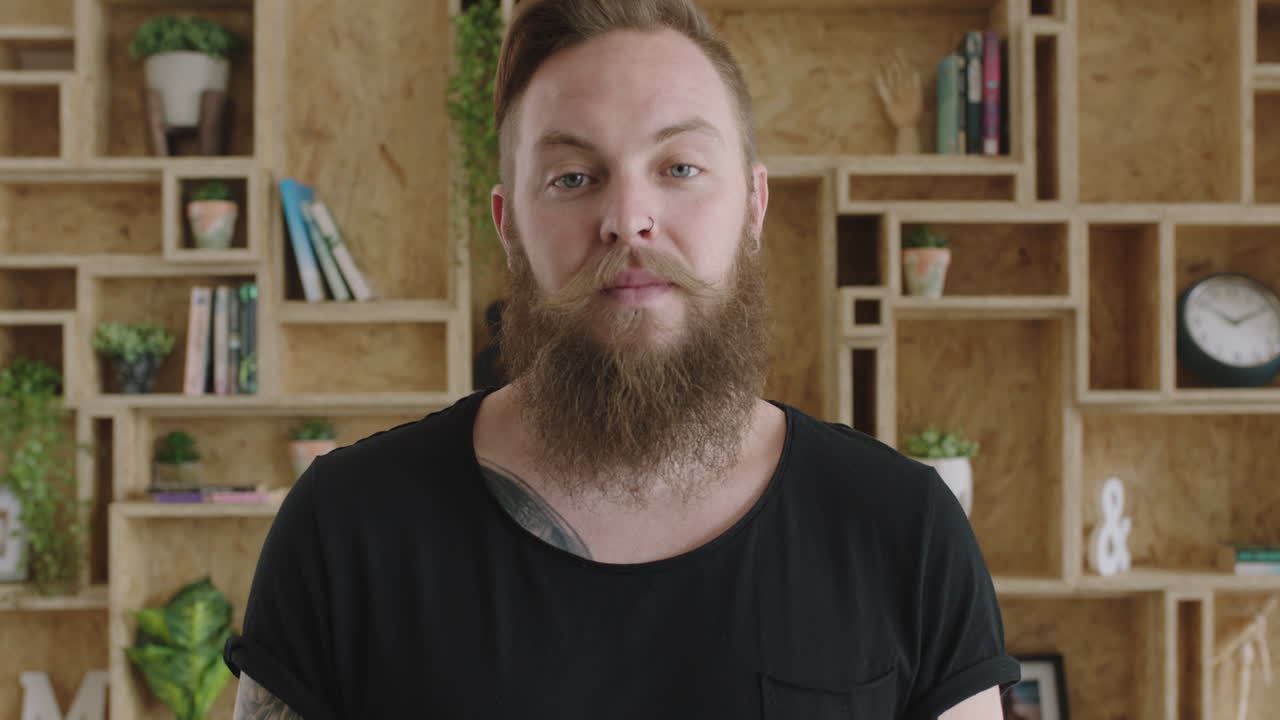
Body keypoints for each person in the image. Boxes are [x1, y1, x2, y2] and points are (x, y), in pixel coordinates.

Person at [223, 0, 1022, 717]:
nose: (628, 218)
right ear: (508, 225)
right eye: (573, 177)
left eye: (679, 168)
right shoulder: (347, 529)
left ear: (754, 204)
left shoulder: (902, 531)